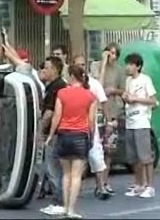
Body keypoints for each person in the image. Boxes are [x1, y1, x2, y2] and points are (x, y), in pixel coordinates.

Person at [46, 64, 96, 218]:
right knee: (76, 176)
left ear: (72, 76)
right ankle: (72, 210)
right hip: (81, 136)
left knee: (66, 174)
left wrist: (50, 135)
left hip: (63, 135)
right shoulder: (90, 96)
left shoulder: (62, 93)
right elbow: (91, 121)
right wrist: (91, 137)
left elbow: (57, 116)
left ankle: (65, 206)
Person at [72, 54, 116, 200]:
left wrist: (109, 122)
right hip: (73, 126)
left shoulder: (94, 84)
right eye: (78, 65)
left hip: (91, 125)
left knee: (96, 155)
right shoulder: (69, 84)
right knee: (77, 159)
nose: (81, 68)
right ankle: (74, 190)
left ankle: (101, 186)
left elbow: (104, 104)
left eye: (83, 65)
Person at [122, 53, 158, 198]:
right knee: (134, 157)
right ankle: (139, 184)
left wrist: (136, 98)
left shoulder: (145, 80)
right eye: (127, 64)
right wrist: (126, 98)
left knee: (145, 157)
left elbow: (153, 100)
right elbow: (127, 97)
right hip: (130, 121)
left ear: (138, 66)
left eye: (131, 64)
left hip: (142, 122)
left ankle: (150, 186)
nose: (128, 67)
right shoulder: (128, 80)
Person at [97, 42, 126, 195]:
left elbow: (124, 91)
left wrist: (114, 90)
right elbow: (97, 85)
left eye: (114, 53)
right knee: (97, 150)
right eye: (109, 52)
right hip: (99, 113)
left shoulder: (120, 71)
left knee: (109, 150)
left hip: (113, 111)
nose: (111, 56)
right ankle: (98, 182)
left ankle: (105, 181)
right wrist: (102, 64)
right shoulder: (97, 67)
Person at [39, 56, 67, 216]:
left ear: (55, 70)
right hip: (60, 132)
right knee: (58, 168)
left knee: (53, 168)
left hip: (54, 133)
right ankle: (61, 201)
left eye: (47, 68)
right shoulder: (57, 86)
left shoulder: (55, 88)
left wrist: (40, 131)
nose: (44, 70)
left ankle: (59, 202)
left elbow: (50, 113)